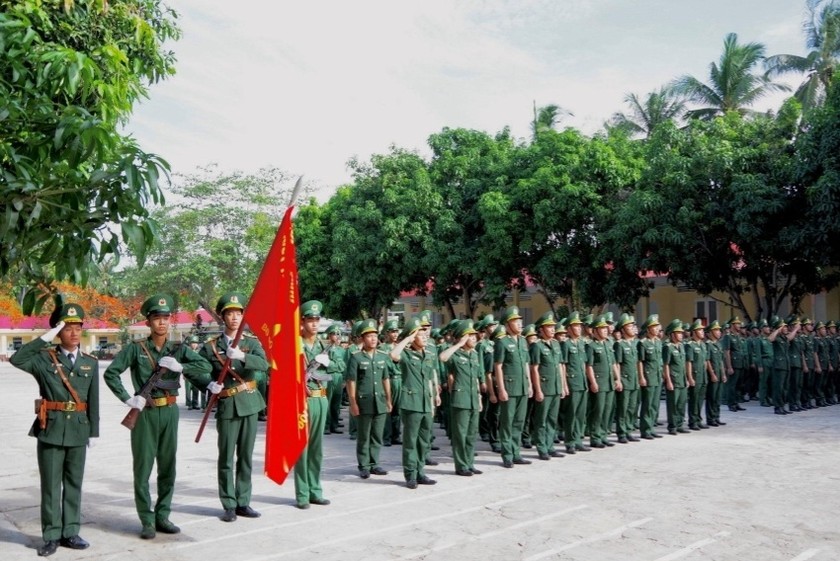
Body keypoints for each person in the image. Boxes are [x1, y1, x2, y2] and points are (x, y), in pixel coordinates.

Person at [104, 294, 217, 539]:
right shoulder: (136, 349)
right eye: (157, 318)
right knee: (143, 467)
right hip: (144, 413)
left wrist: (181, 367)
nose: (162, 323)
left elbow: (206, 367)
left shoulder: (178, 350)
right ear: (148, 322)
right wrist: (127, 398)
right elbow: (111, 373)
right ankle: (146, 520)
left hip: (169, 412)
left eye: (166, 318)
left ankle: (162, 515)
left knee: (168, 466)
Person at [10, 302, 99, 557]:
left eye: (77, 327)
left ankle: (70, 532)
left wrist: (93, 432)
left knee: (74, 484)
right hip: (50, 428)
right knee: (50, 486)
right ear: (59, 331)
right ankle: (50, 536)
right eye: (67, 327)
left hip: (79, 430)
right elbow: (18, 358)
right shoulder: (43, 359)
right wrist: (45, 337)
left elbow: (93, 401)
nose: (73, 332)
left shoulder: (89, 363)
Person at [200, 292, 269, 522]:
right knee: (226, 457)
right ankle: (228, 503)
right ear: (222, 317)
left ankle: (243, 501)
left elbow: (264, 364)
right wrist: (208, 385)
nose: (234, 317)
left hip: (249, 403)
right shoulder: (211, 347)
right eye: (229, 313)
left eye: (238, 313)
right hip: (228, 405)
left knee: (246, 457)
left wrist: (241, 356)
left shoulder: (250, 342)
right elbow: (197, 370)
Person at [389, 317, 440, 489]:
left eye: (426, 334)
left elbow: (428, 380)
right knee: (411, 441)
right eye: (421, 334)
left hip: (426, 403)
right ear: (412, 337)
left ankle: (420, 472)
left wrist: (433, 402)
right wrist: (407, 339)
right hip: (411, 403)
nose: (425, 336)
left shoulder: (428, 354)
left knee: (423, 441)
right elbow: (394, 355)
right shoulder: (406, 354)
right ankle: (410, 474)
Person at [293, 300, 332, 509]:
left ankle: (316, 490)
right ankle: (302, 493)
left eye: (317, 320)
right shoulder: (296, 344)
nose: (314, 324)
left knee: (317, 448)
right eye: (310, 320)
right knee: (303, 447)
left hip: (321, 398)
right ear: (302, 322)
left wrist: (328, 363)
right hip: (303, 400)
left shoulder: (323, 346)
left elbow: (339, 367)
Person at [345, 318, 392, 478]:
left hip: (379, 402)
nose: (373, 339)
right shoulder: (356, 357)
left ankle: (375, 464)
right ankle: (364, 465)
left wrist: (389, 399)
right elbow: (351, 381)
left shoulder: (383, 357)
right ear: (362, 338)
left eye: (375, 336)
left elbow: (386, 379)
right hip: (363, 402)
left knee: (377, 434)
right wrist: (352, 403)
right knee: (364, 435)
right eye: (369, 336)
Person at [494, 306, 533, 468]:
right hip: (509, 388)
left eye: (520, 321)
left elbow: (525, 364)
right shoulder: (502, 342)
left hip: (522, 387)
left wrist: (529, 383)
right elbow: (498, 366)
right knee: (507, 422)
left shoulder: (523, 341)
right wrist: (501, 389)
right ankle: (507, 455)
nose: (519, 324)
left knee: (519, 421)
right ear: (508, 325)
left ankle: (516, 452)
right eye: (515, 322)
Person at [528, 312, 567, 459]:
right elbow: (534, 369)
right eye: (548, 327)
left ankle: (550, 446)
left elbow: (560, 366)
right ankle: (541, 447)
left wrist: (563, 386)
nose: (552, 329)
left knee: (552, 419)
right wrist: (538, 390)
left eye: (552, 327)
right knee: (541, 420)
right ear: (541, 330)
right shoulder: (536, 346)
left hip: (556, 387)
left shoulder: (556, 344)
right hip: (544, 388)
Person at [585, 315, 622, 448]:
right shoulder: (591, 346)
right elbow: (588, 366)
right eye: (602, 328)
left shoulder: (608, 344)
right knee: (598, 410)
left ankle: (603, 435)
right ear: (595, 331)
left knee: (607, 409)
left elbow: (613, 363)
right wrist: (593, 382)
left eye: (606, 328)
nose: (606, 330)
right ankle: (595, 437)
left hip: (609, 382)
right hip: (599, 382)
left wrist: (618, 379)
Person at [562, 312, 590, 453]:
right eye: (575, 326)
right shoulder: (565, 344)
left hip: (582, 382)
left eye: (579, 326)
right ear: (568, 329)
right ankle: (570, 441)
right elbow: (563, 365)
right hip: (572, 382)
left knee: (580, 413)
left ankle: (578, 439)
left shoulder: (581, 344)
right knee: (571, 413)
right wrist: (565, 384)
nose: (579, 328)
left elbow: (584, 364)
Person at [613, 313, 640, 443]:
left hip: (633, 380)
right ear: (623, 330)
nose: (632, 328)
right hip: (625, 379)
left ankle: (629, 430)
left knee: (631, 407)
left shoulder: (634, 344)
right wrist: (618, 380)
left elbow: (636, 363)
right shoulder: (620, 345)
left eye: (632, 325)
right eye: (629, 326)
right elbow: (617, 363)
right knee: (623, 408)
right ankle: (622, 432)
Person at [662, 319, 692, 435]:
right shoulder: (668, 347)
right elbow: (666, 365)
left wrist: (687, 378)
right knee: (673, 404)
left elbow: (684, 364)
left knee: (681, 403)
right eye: (678, 333)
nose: (681, 334)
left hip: (682, 379)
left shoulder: (682, 346)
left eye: (681, 332)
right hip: (673, 379)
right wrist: (668, 380)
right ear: (672, 334)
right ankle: (672, 426)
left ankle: (680, 424)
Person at [638, 314, 664, 439]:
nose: (657, 329)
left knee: (654, 404)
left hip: (657, 376)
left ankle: (651, 427)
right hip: (648, 377)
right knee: (647, 404)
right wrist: (642, 377)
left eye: (657, 326)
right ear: (648, 329)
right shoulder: (643, 343)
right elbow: (640, 362)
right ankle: (645, 429)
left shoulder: (658, 342)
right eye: (654, 327)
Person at [324, 324, 347, 434]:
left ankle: (335, 424)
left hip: (339, 376)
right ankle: (327, 425)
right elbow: (324, 364)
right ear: (329, 335)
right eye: (334, 334)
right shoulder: (324, 349)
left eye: (338, 334)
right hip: (328, 377)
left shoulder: (341, 350)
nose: (337, 336)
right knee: (328, 401)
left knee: (337, 402)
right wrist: (335, 365)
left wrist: (344, 380)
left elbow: (344, 365)